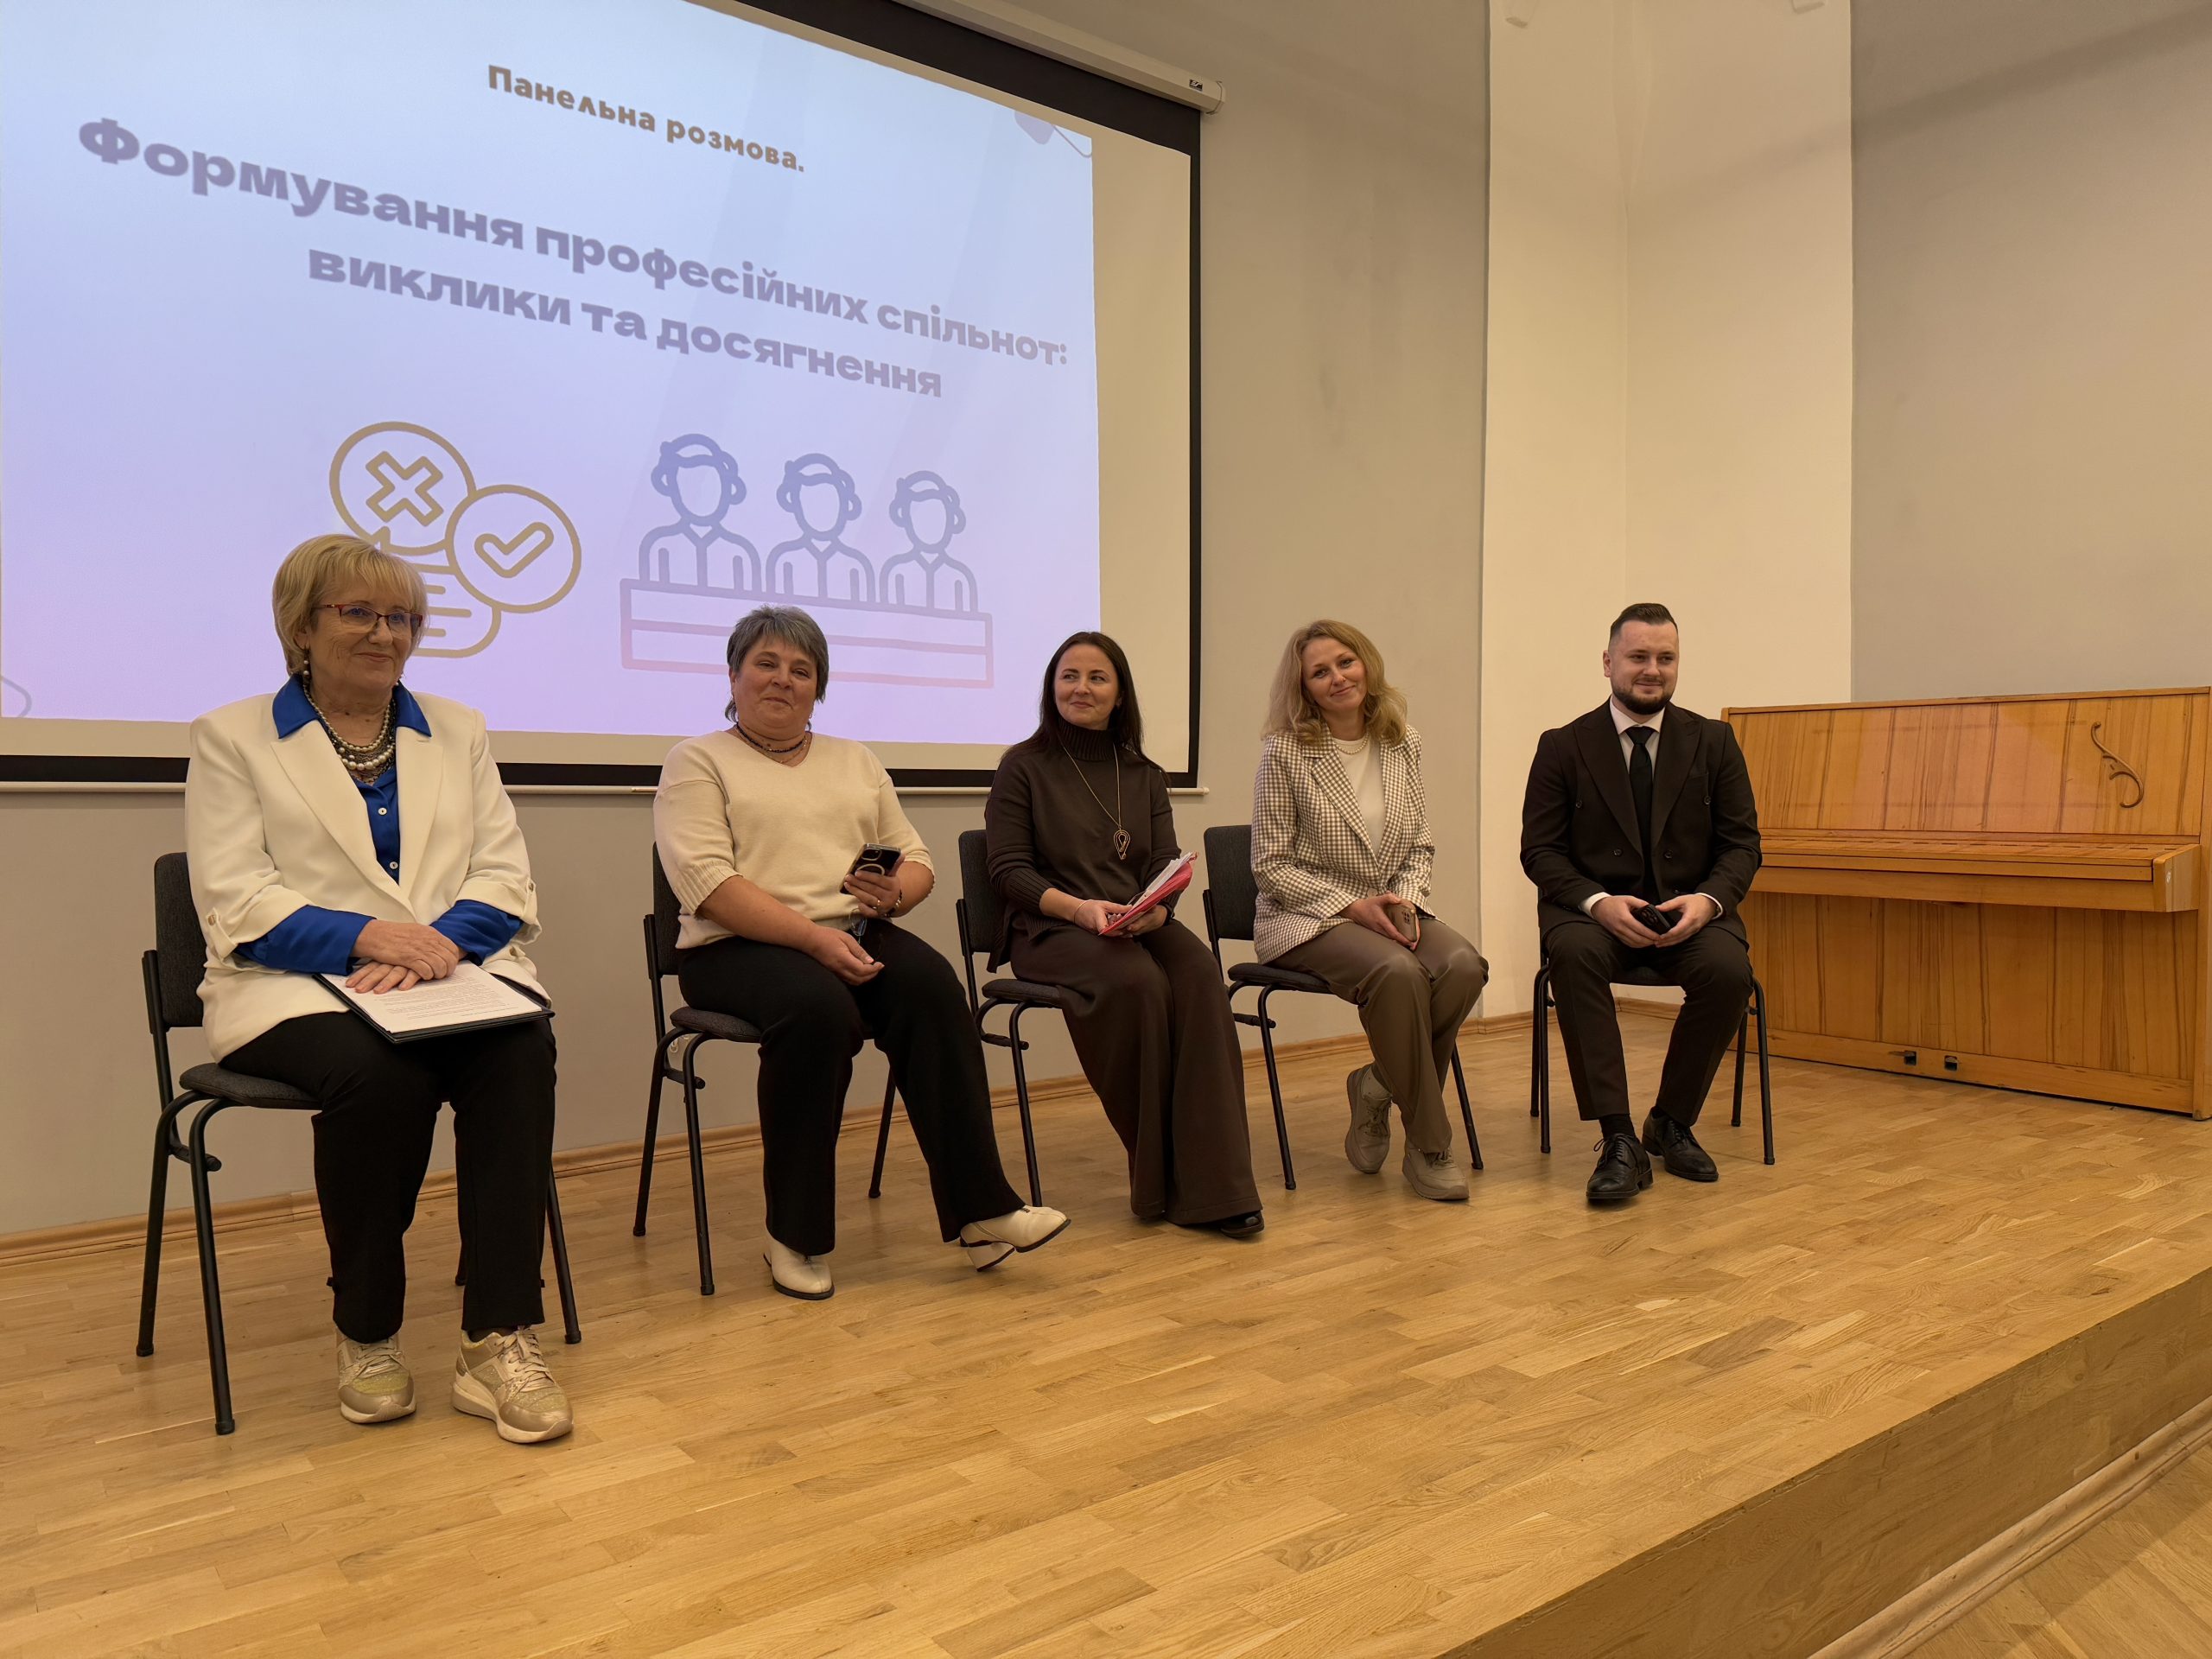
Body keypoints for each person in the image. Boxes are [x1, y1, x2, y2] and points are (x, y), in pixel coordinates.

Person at [185, 533, 571, 1443]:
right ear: (301, 626)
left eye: (402, 617)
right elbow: (238, 898)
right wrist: (368, 937)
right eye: (358, 612)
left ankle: (497, 1338)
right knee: (378, 1074)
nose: (385, 633)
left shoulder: (460, 729)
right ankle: (366, 1331)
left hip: (450, 974)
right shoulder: (232, 736)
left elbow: (504, 876)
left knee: (521, 1050)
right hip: (292, 987)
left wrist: (434, 946)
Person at [653, 604, 1067, 1300]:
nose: (783, 679)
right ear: (733, 674)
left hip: (852, 931)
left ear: (819, 686)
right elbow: (709, 886)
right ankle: (794, 1235)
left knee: (933, 988)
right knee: (818, 1011)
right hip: (733, 949)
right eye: (766, 663)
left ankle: (982, 1212)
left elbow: (917, 859)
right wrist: (813, 938)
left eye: (801, 669)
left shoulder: (855, 759)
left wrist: (894, 896)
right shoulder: (697, 760)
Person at [985, 633, 1263, 1236]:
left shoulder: (1143, 773)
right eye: (1069, 676)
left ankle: (1218, 1186)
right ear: (1051, 687)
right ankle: (1161, 1180)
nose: (1081, 688)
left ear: (1119, 694)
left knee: (1199, 977)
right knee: (1137, 983)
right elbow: (1008, 871)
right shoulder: (1023, 766)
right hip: (1051, 926)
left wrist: (1159, 911)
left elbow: (1163, 859)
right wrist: (1080, 910)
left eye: (1097, 678)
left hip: (1136, 920)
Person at [1519, 601, 1762, 1205]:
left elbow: (1742, 845)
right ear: (1608, 663)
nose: (1652, 669)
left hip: (1688, 913)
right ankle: (1619, 1137)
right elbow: (1540, 852)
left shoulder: (1715, 742)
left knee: (1729, 972)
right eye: (1638, 657)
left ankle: (1670, 1121)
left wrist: (1709, 901)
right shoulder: (1562, 746)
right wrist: (1597, 903)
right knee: (1573, 958)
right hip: (1594, 917)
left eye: (1665, 658)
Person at [1249, 621, 1489, 1202]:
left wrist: (1404, 898)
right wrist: (1352, 906)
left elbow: (1419, 845)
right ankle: (1430, 1147)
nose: (1337, 678)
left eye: (1345, 662)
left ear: (1366, 664)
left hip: (1391, 905)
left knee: (1463, 966)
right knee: (1399, 973)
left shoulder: (1403, 741)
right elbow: (1269, 865)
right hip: (1309, 915)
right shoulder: (1285, 752)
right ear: (1304, 688)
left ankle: (1378, 1082)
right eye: (1319, 672)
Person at [766, 454, 875, 602]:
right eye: (812, 501)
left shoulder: (856, 564)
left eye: (829, 501)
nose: (822, 512)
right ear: (795, 503)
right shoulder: (784, 558)